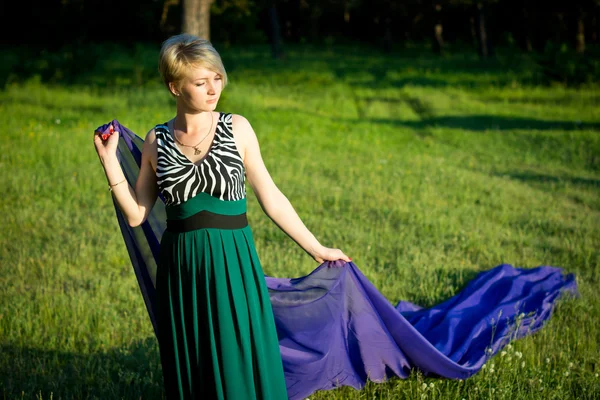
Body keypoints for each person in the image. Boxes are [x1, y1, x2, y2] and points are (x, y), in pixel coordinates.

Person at [93, 33, 351, 399]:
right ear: (174, 87)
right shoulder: (158, 140)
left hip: (233, 262)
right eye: (201, 82)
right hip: (183, 268)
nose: (214, 88)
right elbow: (137, 214)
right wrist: (108, 160)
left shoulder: (237, 128)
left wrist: (317, 248)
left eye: (217, 77)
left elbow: (271, 197)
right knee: (195, 358)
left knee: (240, 354)